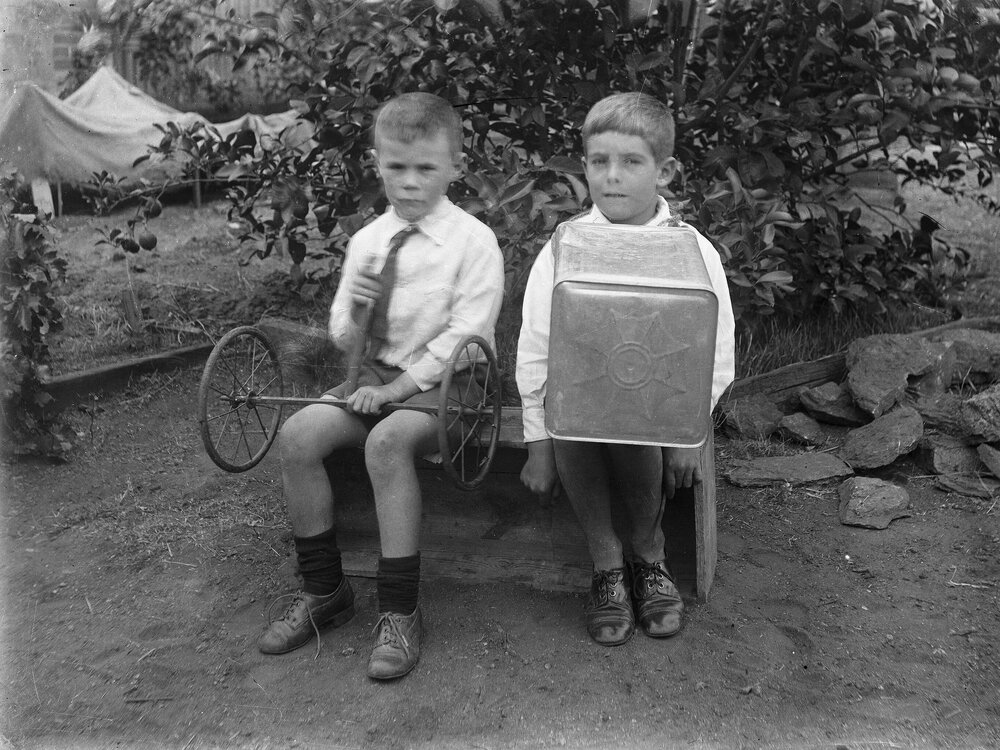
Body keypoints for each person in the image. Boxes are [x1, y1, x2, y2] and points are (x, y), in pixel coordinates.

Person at [259, 92, 505, 680]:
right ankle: (325, 590)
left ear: (455, 168)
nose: (411, 183)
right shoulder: (368, 242)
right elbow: (343, 335)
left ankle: (399, 609)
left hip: (452, 384)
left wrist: (396, 393)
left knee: (386, 443)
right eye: (397, 167)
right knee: (296, 437)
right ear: (377, 163)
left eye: (426, 169)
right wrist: (356, 314)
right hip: (374, 376)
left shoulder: (474, 243)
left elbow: (466, 338)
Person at [516, 92, 735, 646]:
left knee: (634, 428)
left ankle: (649, 552)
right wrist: (537, 438)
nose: (611, 178)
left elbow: (715, 346)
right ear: (584, 165)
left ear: (664, 171)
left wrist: (690, 432)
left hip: (658, 407)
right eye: (598, 162)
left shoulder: (691, 251)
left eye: (631, 162)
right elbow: (537, 343)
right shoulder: (567, 246)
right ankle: (606, 563)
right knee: (576, 425)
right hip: (578, 403)